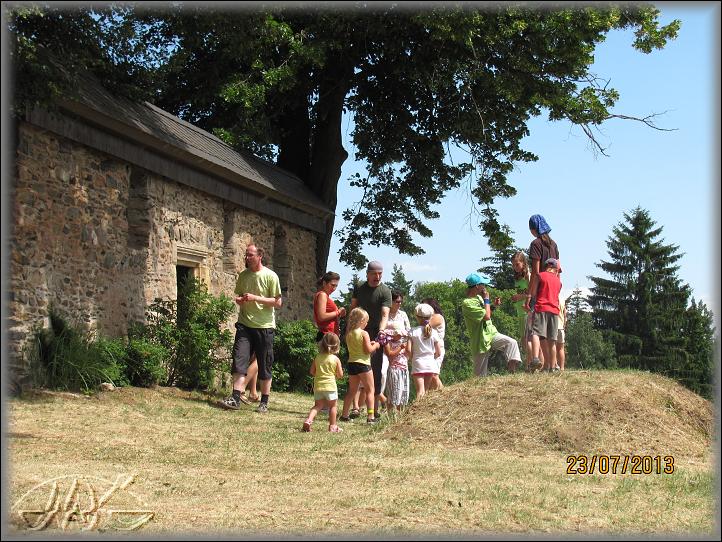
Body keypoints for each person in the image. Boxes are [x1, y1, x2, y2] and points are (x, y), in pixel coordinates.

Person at [219, 244, 282, 413]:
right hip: (244, 325)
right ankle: (235, 398)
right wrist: (240, 300)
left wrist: (255, 298)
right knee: (239, 360)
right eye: (246, 255)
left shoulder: (271, 276)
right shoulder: (243, 275)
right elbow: (238, 296)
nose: (247, 258)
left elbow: (277, 302)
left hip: (265, 327)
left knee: (264, 364)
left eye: (250, 255)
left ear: (259, 256)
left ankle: (264, 402)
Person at [350, 261, 392, 419]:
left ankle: (373, 410)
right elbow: (353, 308)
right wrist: (349, 329)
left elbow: (385, 314)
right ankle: (354, 408)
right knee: (356, 368)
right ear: (367, 273)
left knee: (375, 371)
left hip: (375, 332)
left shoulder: (385, 291)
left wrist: (381, 331)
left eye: (380, 273)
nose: (377, 276)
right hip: (358, 331)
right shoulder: (359, 287)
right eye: (374, 273)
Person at [461, 273, 522, 377]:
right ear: (477, 286)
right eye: (483, 285)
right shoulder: (467, 303)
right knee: (479, 376)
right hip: (480, 339)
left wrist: (493, 306)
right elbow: (487, 316)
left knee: (511, 343)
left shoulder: (478, 298)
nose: (485, 287)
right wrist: (487, 299)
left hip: (491, 333)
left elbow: (486, 312)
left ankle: (512, 373)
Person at [339, 307, 381, 424]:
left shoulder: (349, 334)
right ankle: (371, 416)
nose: (367, 324)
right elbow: (368, 350)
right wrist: (376, 345)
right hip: (363, 365)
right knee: (370, 390)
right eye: (366, 321)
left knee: (352, 391)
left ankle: (344, 415)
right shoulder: (364, 333)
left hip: (352, 363)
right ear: (361, 321)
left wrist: (369, 344)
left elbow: (358, 348)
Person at [302, 332, 344, 433]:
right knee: (333, 406)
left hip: (318, 386)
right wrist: (336, 375)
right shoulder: (335, 359)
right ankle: (332, 426)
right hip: (330, 386)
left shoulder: (317, 357)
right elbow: (340, 374)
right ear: (336, 346)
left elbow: (312, 371)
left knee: (317, 406)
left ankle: (309, 420)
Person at [529, 258, 562, 373]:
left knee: (536, 333)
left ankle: (535, 358)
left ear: (546, 266)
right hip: (554, 311)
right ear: (555, 268)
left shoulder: (540, 275)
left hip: (541, 308)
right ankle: (552, 367)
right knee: (552, 340)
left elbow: (533, 293)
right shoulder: (559, 281)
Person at [524, 214, 561, 316]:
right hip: (553, 291)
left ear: (533, 229)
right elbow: (558, 270)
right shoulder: (554, 244)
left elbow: (536, 273)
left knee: (535, 328)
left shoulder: (536, 244)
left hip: (540, 291)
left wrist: (529, 296)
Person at [406, 303, 441, 400]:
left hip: (418, 362)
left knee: (420, 391)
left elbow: (408, 350)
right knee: (426, 391)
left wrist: (411, 359)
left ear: (417, 317)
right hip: (430, 363)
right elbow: (438, 352)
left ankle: (417, 412)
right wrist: (432, 358)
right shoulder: (433, 332)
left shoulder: (413, 331)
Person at [510, 251, 537, 373]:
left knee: (528, 340)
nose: (515, 267)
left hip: (527, 311)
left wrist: (520, 297)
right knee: (524, 340)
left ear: (523, 263)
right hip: (519, 312)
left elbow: (532, 293)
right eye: (513, 265)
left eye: (517, 264)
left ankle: (531, 365)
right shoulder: (518, 277)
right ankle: (530, 364)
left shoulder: (528, 276)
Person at [384, 321, 410, 415]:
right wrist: (400, 348)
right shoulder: (388, 341)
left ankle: (400, 414)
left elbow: (408, 353)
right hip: (395, 369)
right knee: (394, 393)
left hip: (403, 369)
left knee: (403, 393)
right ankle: (391, 414)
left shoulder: (401, 341)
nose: (400, 336)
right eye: (398, 334)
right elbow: (390, 354)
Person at [313, 271, 346, 342]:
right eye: (332, 285)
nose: (334, 288)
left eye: (336, 286)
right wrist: (338, 311)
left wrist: (339, 314)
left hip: (330, 336)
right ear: (324, 283)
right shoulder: (322, 295)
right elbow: (321, 316)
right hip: (326, 336)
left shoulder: (325, 296)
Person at [421, 297, 446, 389]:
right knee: (429, 375)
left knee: (434, 374)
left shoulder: (437, 317)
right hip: (428, 348)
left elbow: (425, 327)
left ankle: (443, 394)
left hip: (437, 348)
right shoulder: (428, 318)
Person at [556, 294, 567, 371]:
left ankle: (555, 365)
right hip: (561, 326)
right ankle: (562, 368)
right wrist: (564, 325)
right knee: (561, 348)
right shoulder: (562, 299)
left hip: (553, 325)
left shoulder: (552, 297)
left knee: (551, 346)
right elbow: (565, 314)